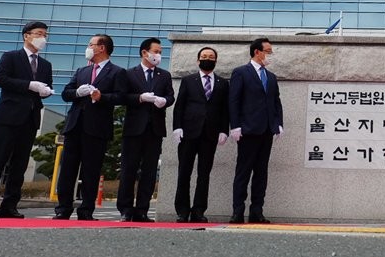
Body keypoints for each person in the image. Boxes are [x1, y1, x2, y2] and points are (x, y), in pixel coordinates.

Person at [0, 21, 54, 219]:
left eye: (45, 35)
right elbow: (1, 79)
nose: (43, 38)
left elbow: (45, 88)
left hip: (30, 119)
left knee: (19, 166)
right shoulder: (11, 57)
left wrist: (45, 91)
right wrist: (29, 85)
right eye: (39, 34)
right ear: (26, 36)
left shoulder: (46, 65)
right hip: (8, 117)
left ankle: (10, 206)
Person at [53, 34, 128, 221]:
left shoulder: (117, 72)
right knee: (67, 170)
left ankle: (86, 211)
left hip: (97, 128)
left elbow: (121, 97)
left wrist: (101, 97)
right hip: (75, 126)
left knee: (91, 171)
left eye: (91, 44)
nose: (88, 47)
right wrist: (77, 92)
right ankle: (63, 209)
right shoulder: (81, 71)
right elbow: (66, 94)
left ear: (101, 48)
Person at [117, 38, 175, 222]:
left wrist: (164, 101)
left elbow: (170, 96)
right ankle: (126, 209)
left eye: (160, 52)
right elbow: (122, 97)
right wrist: (140, 98)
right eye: (156, 51)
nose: (158, 55)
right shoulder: (129, 74)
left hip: (154, 129)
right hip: (134, 129)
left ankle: (142, 209)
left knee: (149, 172)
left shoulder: (164, 75)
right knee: (129, 170)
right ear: (144, 52)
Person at [228, 37, 284, 224]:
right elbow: (234, 101)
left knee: (261, 173)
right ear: (256, 52)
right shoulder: (241, 73)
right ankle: (237, 211)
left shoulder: (271, 77)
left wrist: (278, 124)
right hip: (248, 131)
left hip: (267, 131)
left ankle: (256, 211)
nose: (270, 54)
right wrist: (235, 125)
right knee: (243, 172)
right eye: (268, 51)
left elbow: (276, 102)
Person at [171, 46, 229, 223]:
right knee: (184, 172)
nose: (207, 59)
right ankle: (182, 211)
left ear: (215, 61)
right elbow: (179, 106)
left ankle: (198, 210)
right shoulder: (189, 80)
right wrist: (177, 127)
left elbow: (225, 109)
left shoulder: (223, 83)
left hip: (210, 134)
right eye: (204, 56)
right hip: (188, 132)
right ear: (198, 60)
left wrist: (223, 130)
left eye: (211, 57)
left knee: (204, 174)